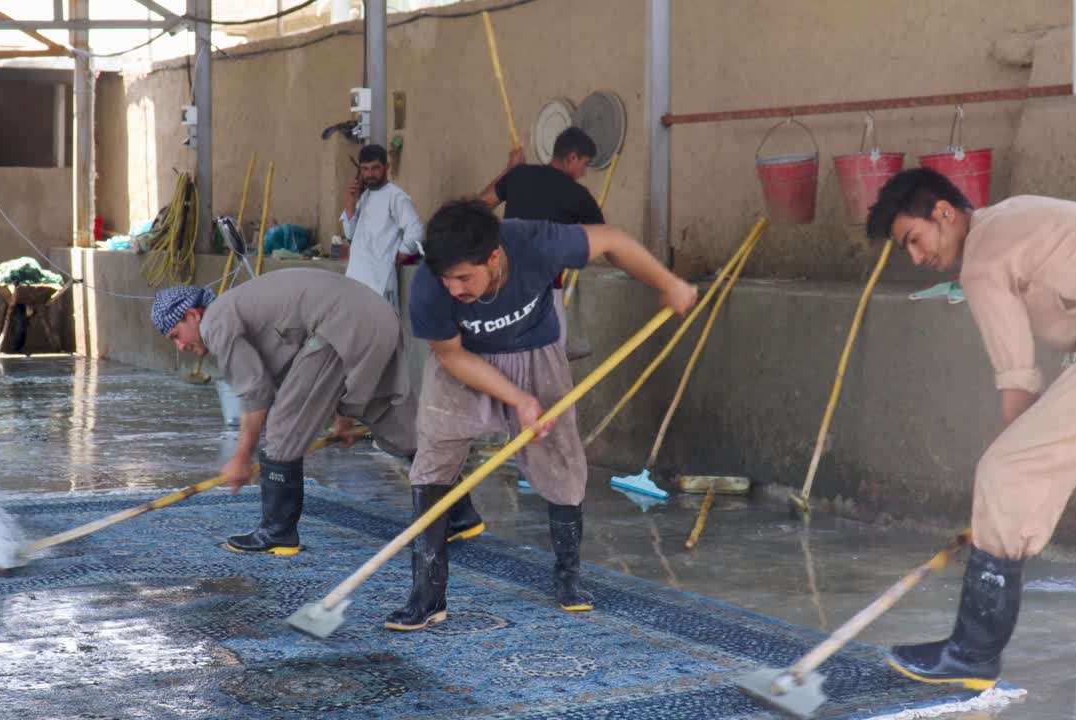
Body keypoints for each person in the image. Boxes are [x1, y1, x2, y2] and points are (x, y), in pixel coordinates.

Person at [384, 199, 697, 631]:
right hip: (466, 360)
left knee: (561, 458)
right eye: (446, 279)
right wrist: (516, 398)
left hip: (535, 351)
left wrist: (668, 283)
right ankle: (427, 596)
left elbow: (612, 240)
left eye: (464, 278)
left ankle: (569, 577)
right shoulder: (428, 288)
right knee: (433, 459)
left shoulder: (536, 242)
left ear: (494, 257)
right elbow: (451, 356)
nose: (453, 289)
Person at [866, 168, 1076, 690]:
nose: (916, 257)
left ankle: (972, 654)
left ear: (944, 213)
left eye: (913, 239)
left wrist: (1003, 496)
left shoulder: (983, 258)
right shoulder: (1012, 216)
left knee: (1005, 469)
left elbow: (1018, 383)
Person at [151, 268, 482, 556]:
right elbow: (314, 375)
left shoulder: (215, 321)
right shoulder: (236, 308)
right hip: (376, 316)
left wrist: (241, 457)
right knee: (394, 424)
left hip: (342, 324)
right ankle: (458, 514)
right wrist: (343, 418)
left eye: (176, 335)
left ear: (193, 315)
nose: (181, 346)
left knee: (283, 429)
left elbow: (255, 391)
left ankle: (276, 532)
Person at [478, 127, 605, 351]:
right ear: (572, 157)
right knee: (550, 357)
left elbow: (480, 206)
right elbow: (603, 240)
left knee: (503, 354)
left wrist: (509, 170)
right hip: (546, 293)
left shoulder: (519, 175)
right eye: (584, 164)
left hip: (503, 286)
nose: (584, 172)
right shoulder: (579, 196)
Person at [341, 144, 424, 313]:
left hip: (380, 282)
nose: (369, 174)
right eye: (365, 169)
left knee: (381, 327)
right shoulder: (364, 196)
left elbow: (415, 230)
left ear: (386, 167)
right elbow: (350, 234)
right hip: (356, 278)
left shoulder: (396, 196)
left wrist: (400, 254)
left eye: (375, 168)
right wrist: (351, 202)